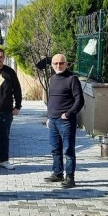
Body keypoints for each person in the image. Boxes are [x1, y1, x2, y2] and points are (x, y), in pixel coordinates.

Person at [43, 54, 85, 188]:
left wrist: (68, 114)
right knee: (55, 149)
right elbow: (52, 100)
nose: (58, 66)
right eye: (55, 63)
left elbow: (79, 100)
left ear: (66, 64)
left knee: (68, 150)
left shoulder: (72, 79)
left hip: (66, 121)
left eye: (61, 63)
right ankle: (57, 173)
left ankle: (70, 177)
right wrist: (49, 117)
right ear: (52, 65)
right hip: (53, 121)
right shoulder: (52, 79)